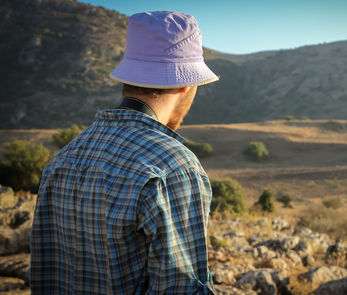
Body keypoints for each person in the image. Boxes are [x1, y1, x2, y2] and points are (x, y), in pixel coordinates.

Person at [30, 11, 219, 294]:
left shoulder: (63, 158)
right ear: (185, 84)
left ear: (127, 79)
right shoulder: (173, 167)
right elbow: (182, 289)